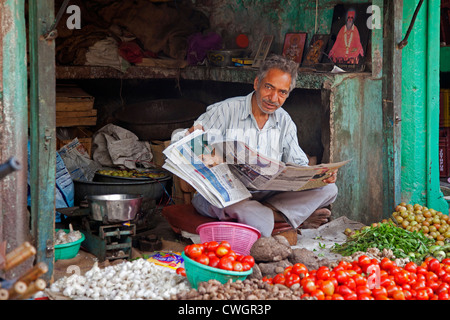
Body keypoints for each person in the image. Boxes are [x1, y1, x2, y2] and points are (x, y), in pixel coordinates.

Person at [171, 54, 338, 237]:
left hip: (266, 195)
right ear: (257, 83)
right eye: (269, 87)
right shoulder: (226, 110)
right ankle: (285, 216)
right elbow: (181, 139)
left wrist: (318, 176)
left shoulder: (284, 120)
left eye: (282, 92)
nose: (273, 98)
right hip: (227, 196)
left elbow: (298, 163)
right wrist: (197, 142)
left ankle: (266, 213)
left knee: (330, 189)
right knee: (236, 206)